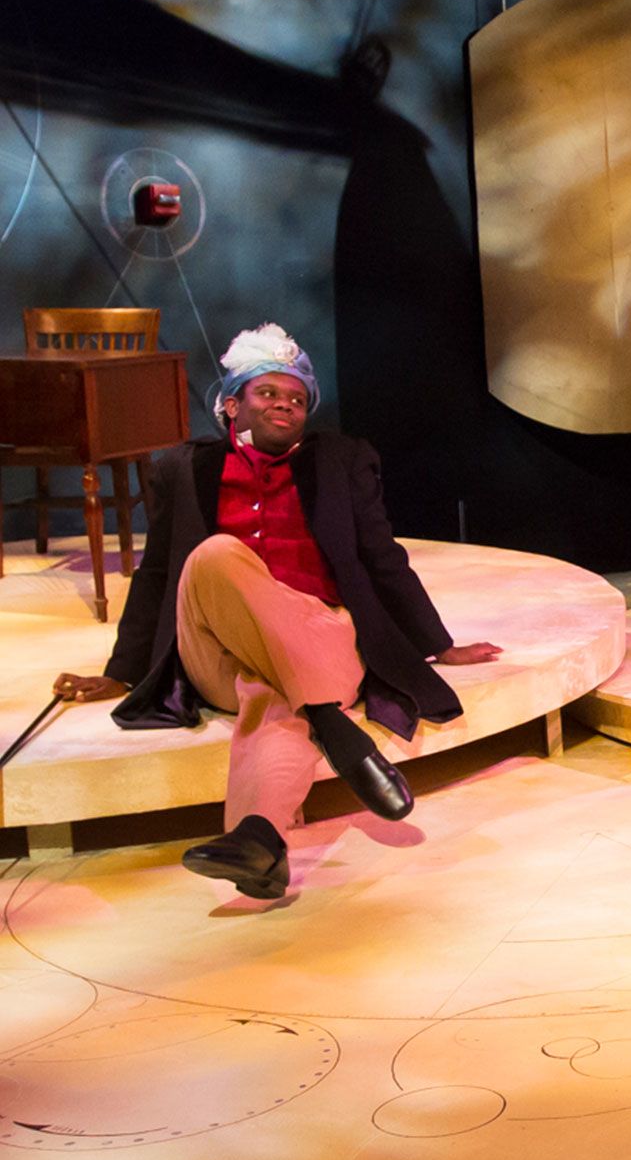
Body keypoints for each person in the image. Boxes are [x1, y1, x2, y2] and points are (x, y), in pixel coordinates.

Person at [53, 323, 500, 901]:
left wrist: (438, 643)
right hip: (218, 649)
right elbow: (159, 572)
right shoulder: (183, 468)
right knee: (214, 556)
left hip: (321, 637)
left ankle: (259, 842)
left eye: (296, 398)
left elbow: (380, 557)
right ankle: (333, 725)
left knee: (273, 703)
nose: (285, 404)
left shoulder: (341, 461)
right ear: (232, 405)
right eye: (268, 393)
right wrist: (121, 670)